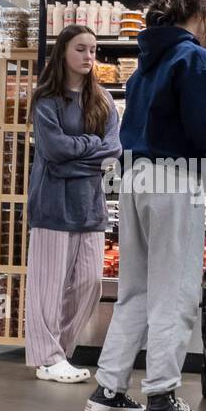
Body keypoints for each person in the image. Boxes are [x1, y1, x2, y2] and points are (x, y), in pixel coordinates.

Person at [86, 0, 206, 411]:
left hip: (135, 178)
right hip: (175, 183)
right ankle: (162, 398)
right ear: (201, 14)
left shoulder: (145, 63)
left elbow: (166, 128)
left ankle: (109, 388)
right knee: (176, 290)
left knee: (137, 290)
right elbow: (205, 128)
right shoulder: (193, 56)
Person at [25, 24, 120, 382]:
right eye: (81, 49)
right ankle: (47, 357)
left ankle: (57, 353)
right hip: (52, 204)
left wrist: (77, 153)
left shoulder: (103, 100)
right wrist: (90, 150)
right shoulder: (46, 100)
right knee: (47, 287)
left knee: (90, 285)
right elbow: (53, 150)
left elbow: (113, 148)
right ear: (63, 51)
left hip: (91, 206)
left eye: (93, 50)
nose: (89, 56)